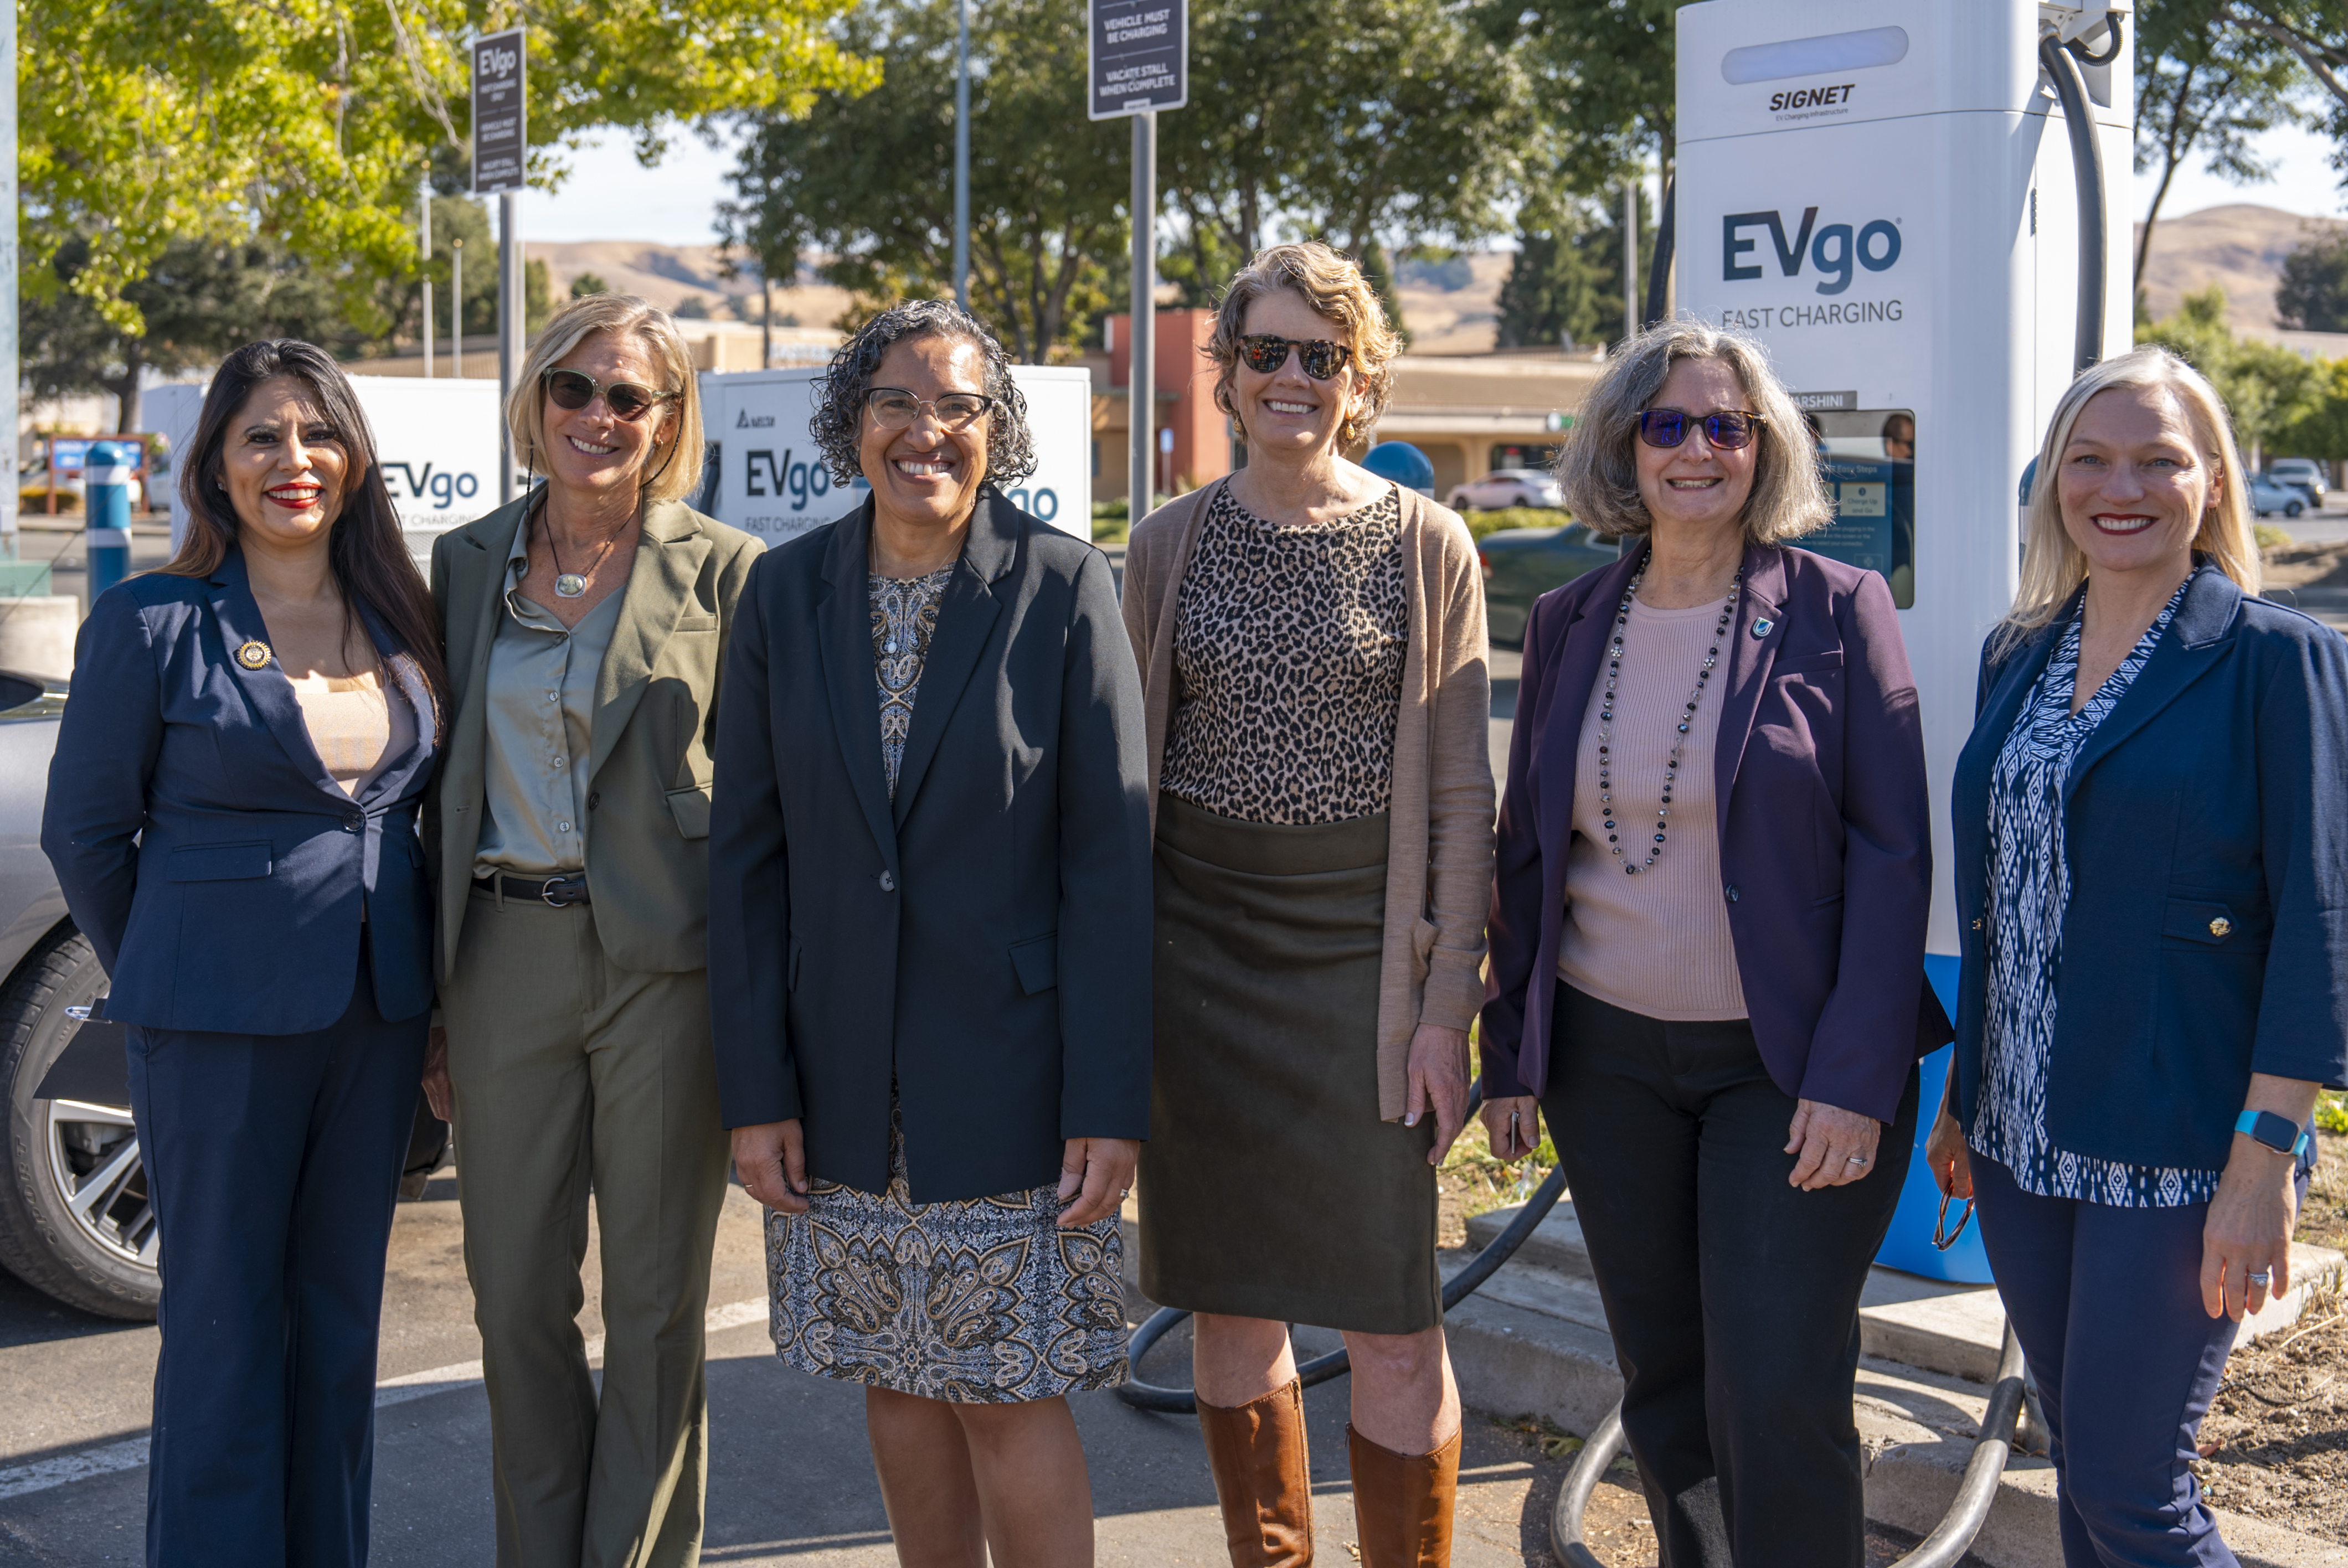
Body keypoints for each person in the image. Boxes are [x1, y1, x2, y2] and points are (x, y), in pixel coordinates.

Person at [1479, 317, 1949, 1568]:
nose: (1696, 451)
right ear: (1623, 447)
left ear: (1762, 449)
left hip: (1786, 1068)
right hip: (1606, 1057)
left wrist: (1855, 1082)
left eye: (1724, 428)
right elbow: (1528, 847)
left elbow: (1892, 858)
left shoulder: (1836, 609)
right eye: (1667, 425)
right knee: (1666, 1378)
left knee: (1777, 1375)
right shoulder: (1574, 619)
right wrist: (1510, 1053)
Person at [709, 299, 1152, 1567]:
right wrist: (757, 1090)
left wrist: (1108, 1101)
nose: (925, 430)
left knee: (1008, 1390)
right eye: (896, 401)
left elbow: (1109, 867)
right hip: (838, 1078)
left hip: (1013, 1074)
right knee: (893, 1383)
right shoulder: (783, 591)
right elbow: (744, 859)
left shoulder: (1063, 584)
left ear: (995, 432)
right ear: (852, 424)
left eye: (957, 405)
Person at [1927, 346, 2347, 1568]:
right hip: (2015, 1134)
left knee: (2132, 1493)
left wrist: (2264, 1157)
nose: (2122, 486)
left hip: (2177, 1143)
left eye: (2157, 459)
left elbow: (2321, 919)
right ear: (2051, 479)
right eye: (2089, 459)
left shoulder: (2277, 660)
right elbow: (2007, 896)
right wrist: (1963, 1100)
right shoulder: (2016, 651)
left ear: (2211, 479)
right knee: (2082, 1460)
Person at [43, 339, 447, 1566]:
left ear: (355, 457)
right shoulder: (154, 620)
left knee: (338, 1333)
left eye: (317, 434)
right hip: (213, 1025)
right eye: (261, 437)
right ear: (215, 466)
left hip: (373, 1022)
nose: (294, 461)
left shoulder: (405, 614)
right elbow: (86, 833)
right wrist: (176, 966)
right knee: (224, 1334)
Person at [1121, 241, 1494, 1566]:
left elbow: (1460, 803)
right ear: (1223, 376)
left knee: (1395, 1323)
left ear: (1360, 378)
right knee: (1230, 1314)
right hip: (1199, 968)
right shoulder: (1164, 545)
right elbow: (1123, 791)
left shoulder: (1425, 545)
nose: (1289, 376)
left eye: (1318, 355)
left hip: (1361, 967)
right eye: (1264, 352)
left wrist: (1443, 1014)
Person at [421, 293, 760, 1567]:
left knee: (659, 1304)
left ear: (668, 422)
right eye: (575, 388)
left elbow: (766, 796)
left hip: (665, 972)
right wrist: (431, 1001)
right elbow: (426, 791)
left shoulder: (729, 572)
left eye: (630, 398)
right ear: (536, 401)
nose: (599, 417)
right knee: (512, 1297)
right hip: (501, 956)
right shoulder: (463, 565)